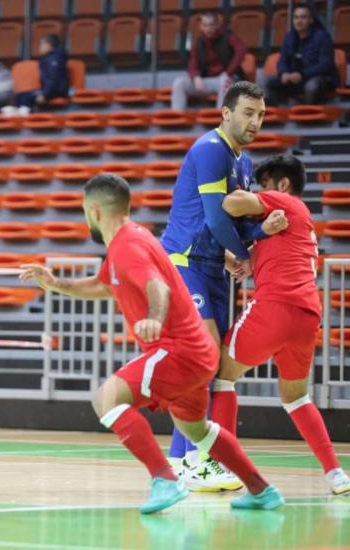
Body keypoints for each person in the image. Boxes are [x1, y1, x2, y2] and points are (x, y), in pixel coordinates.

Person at [19, 174, 284, 514]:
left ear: (95, 211)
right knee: (198, 429)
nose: (85, 218)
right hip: (197, 354)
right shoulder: (131, 239)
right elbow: (104, 286)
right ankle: (262, 490)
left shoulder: (128, 247)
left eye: (85, 211)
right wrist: (56, 284)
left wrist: (155, 319)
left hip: (177, 349)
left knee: (106, 398)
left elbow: (158, 287)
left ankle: (165, 479)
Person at [159, 81, 288, 491]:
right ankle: (191, 459)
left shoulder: (243, 162)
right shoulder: (210, 150)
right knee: (202, 357)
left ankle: (183, 458)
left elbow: (234, 222)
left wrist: (261, 232)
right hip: (185, 265)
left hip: (212, 267)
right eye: (248, 112)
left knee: (210, 364)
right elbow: (216, 219)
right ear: (225, 113)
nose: (255, 121)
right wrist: (248, 252)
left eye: (261, 115)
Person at [212, 154, 350, 497]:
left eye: (265, 185)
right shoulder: (300, 221)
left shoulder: (285, 201)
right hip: (306, 316)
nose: (262, 192)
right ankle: (336, 473)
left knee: (220, 374)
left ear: (283, 185)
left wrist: (229, 189)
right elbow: (262, 259)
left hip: (274, 307)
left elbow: (232, 203)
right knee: (296, 397)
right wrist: (244, 259)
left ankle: (228, 468)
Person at [171, 12, 248, 111]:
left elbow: (242, 50)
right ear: (201, 26)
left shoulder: (228, 36)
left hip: (225, 78)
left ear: (216, 25)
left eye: (211, 25)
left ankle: (220, 118)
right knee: (179, 83)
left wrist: (228, 72)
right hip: (206, 80)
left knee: (225, 82)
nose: (208, 29)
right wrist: (195, 77)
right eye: (205, 25)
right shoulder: (198, 42)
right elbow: (192, 62)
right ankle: (178, 115)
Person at [265, 4, 338, 106]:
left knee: (311, 86)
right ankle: (281, 111)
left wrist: (302, 74)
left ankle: (306, 114)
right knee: (266, 82)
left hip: (319, 78)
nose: (299, 21)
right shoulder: (289, 37)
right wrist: (284, 73)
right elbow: (282, 61)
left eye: (303, 17)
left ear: (311, 20)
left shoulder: (323, 37)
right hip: (295, 78)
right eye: (296, 17)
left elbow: (325, 65)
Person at [15, 34, 69, 111]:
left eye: (42, 43)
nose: (40, 46)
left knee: (25, 98)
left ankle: (28, 120)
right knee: (20, 96)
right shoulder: (48, 58)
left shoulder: (54, 59)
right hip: (49, 90)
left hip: (56, 91)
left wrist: (44, 95)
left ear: (49, 45)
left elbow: (53, 79)